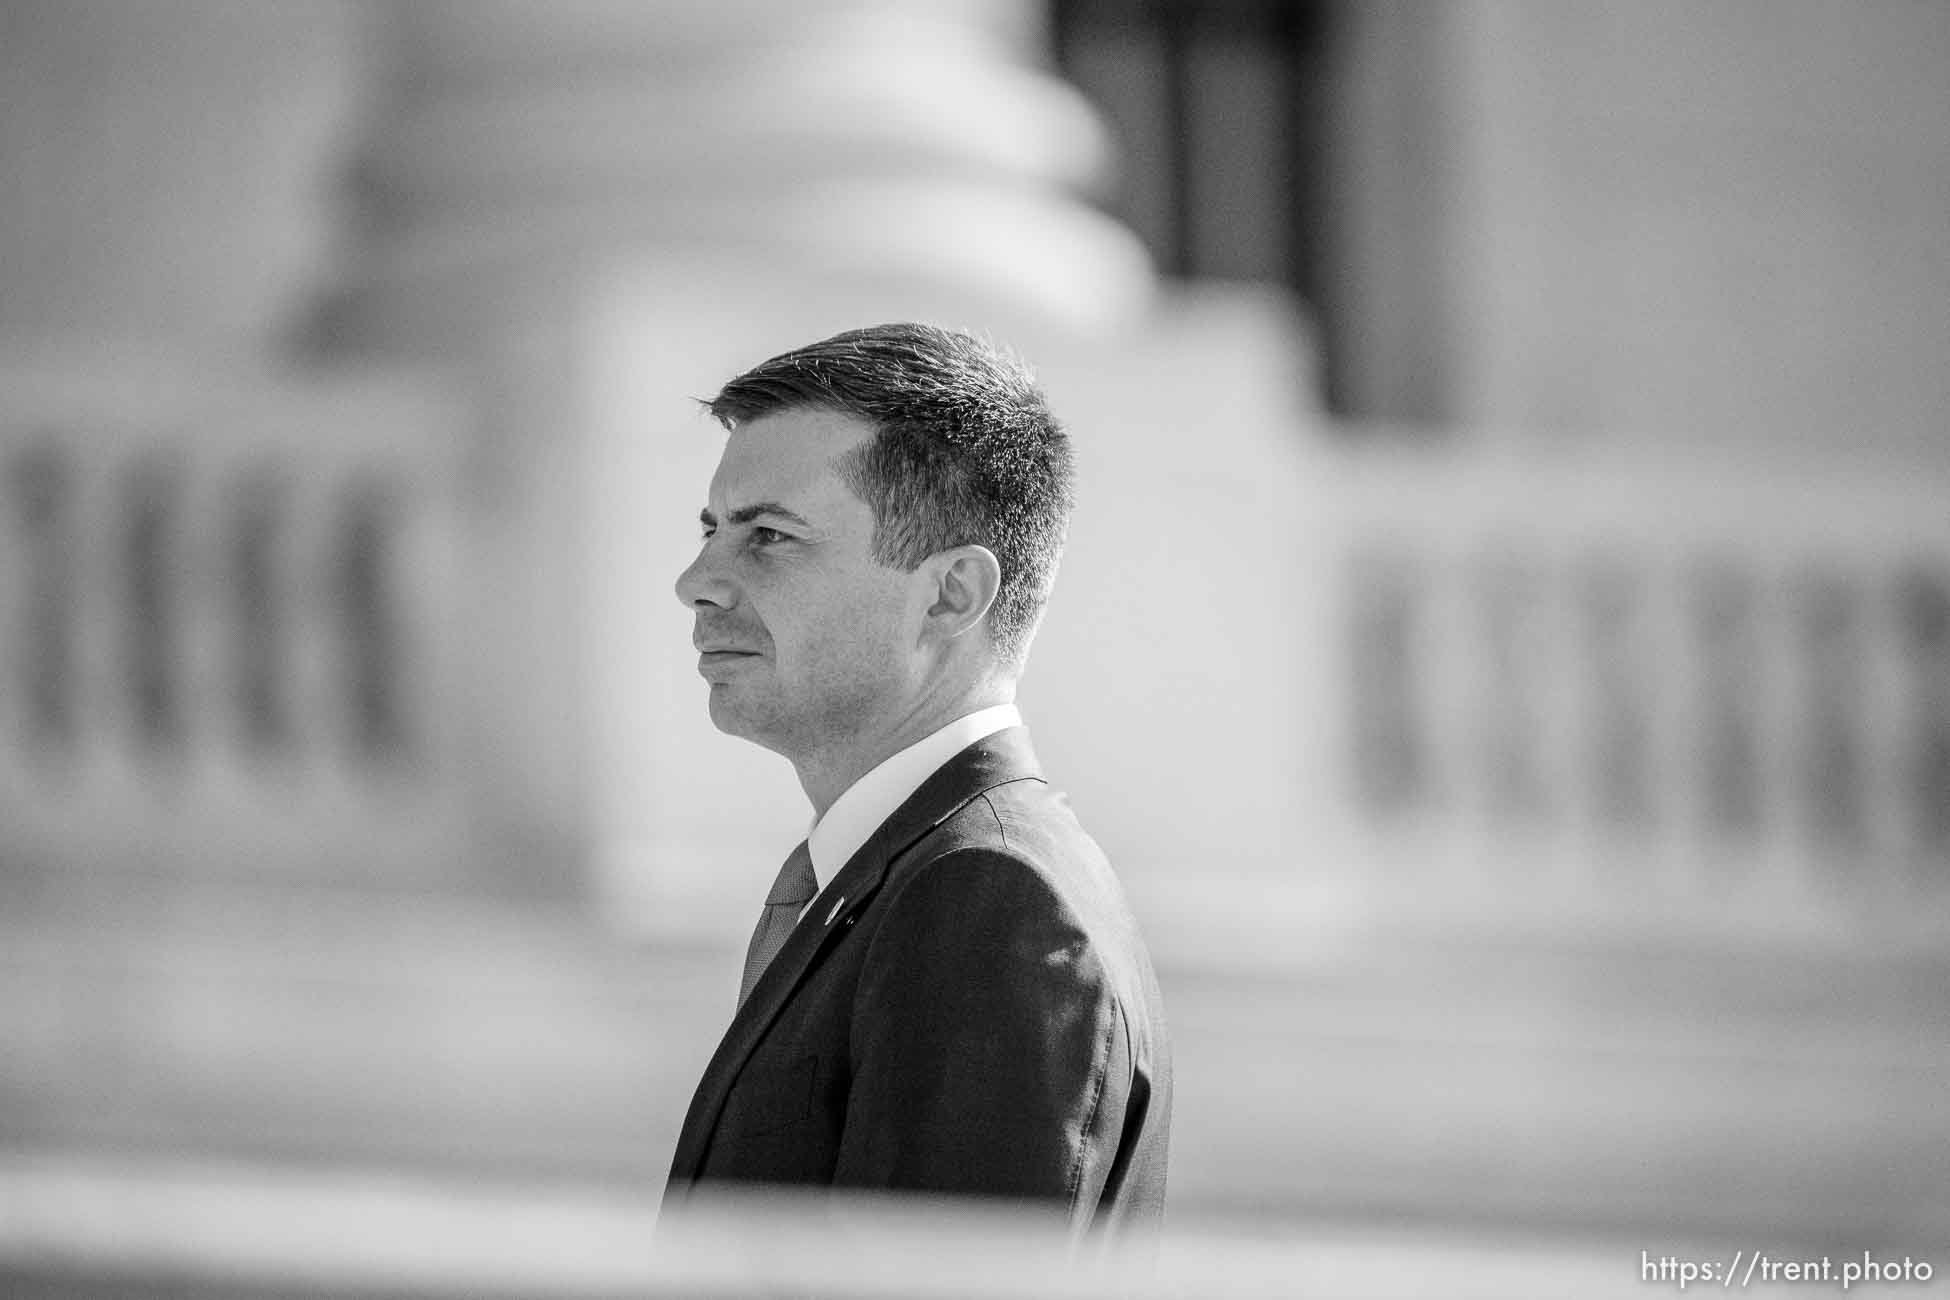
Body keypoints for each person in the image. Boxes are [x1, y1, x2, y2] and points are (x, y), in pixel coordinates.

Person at [663, 323, 1172, 1233]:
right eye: (711, 528)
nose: (697, 581)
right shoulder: (917, 881)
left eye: (768, 536)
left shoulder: (995, 902)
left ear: (950, 594)